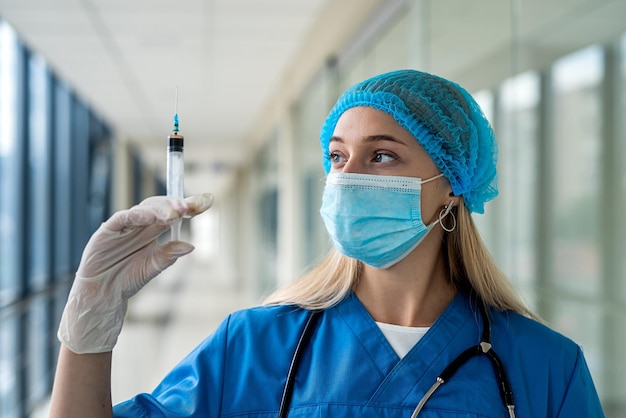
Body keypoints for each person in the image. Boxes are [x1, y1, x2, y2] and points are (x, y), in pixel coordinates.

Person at [50, 69, 605, 417]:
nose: (347, 176)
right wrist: (88, 325)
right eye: (338, 157)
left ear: (452, 188)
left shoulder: (546, 367)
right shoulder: (255, 345)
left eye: (381, 155)